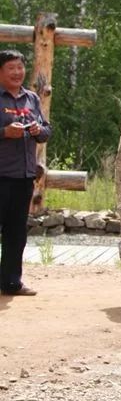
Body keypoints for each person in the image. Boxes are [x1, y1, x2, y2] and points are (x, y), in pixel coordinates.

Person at [0, 49, 51, 297]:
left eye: (20, 67)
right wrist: (4, 132)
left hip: (23, 176)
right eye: (11, 68)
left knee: (16, 232)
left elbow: (46, 130)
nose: (17, 72)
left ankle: (11, 283)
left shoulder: (31, 98)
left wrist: (37, 130)